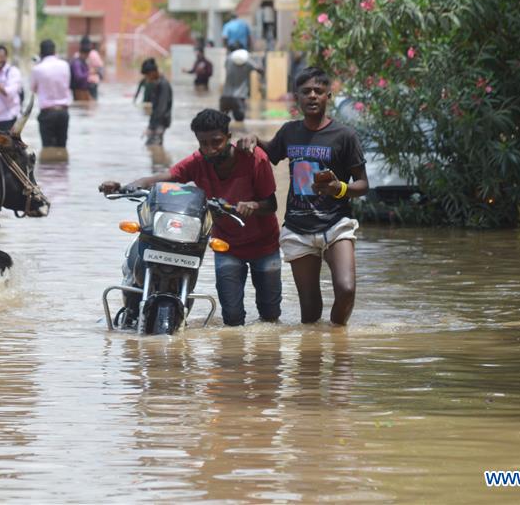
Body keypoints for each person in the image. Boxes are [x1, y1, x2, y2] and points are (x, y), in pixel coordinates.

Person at [98, 108, 281, 326]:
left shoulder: (255, 159)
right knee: (232, 317)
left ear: (228, 138)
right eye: (203, 144)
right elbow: (165, 177)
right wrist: (127, 186)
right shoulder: (197, 161)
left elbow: (272, 204)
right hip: (227, 245)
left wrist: (253, 205)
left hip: (264, 244)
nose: (210, 150)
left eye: (216, 142)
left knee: (270, 315)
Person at [237, 66, 369, 325]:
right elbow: (272, 153)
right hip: (298, 228)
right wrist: (253, 137)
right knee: (310, 310)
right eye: (306, 91)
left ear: (328, 96)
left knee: (346, 289)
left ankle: (338, 340)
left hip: (335, 224)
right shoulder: (289, 132)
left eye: (318, 91)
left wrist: (338, 188)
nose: (312, 96)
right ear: (296, 97)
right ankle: (312, 359)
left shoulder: (345, 136)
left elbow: (363, 185)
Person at [30, 39, 72, 148]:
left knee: (47, 148)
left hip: (47, 113)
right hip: (63, 112)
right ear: (55, 51)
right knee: (62, 147)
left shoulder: (37, 69)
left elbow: (33, 89)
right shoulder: (65, 65)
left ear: (41, 53)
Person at [220, 42, 262, 122]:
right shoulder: (247, 61)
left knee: (221, 123)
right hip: (239, 98)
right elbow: (259, 70)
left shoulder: (228, 59)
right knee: (240, 125)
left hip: (225, 97)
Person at [139, 58, 172, 146]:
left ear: (153, 73)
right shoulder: (157, 83)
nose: (146, 78)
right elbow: (155, 108)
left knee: (154, 147)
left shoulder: (163, 84)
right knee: (152, 147)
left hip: (161, 122)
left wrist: (151, 127)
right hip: (157, 122)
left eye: (147, 75)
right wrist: (150, 126)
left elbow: (161, 109)